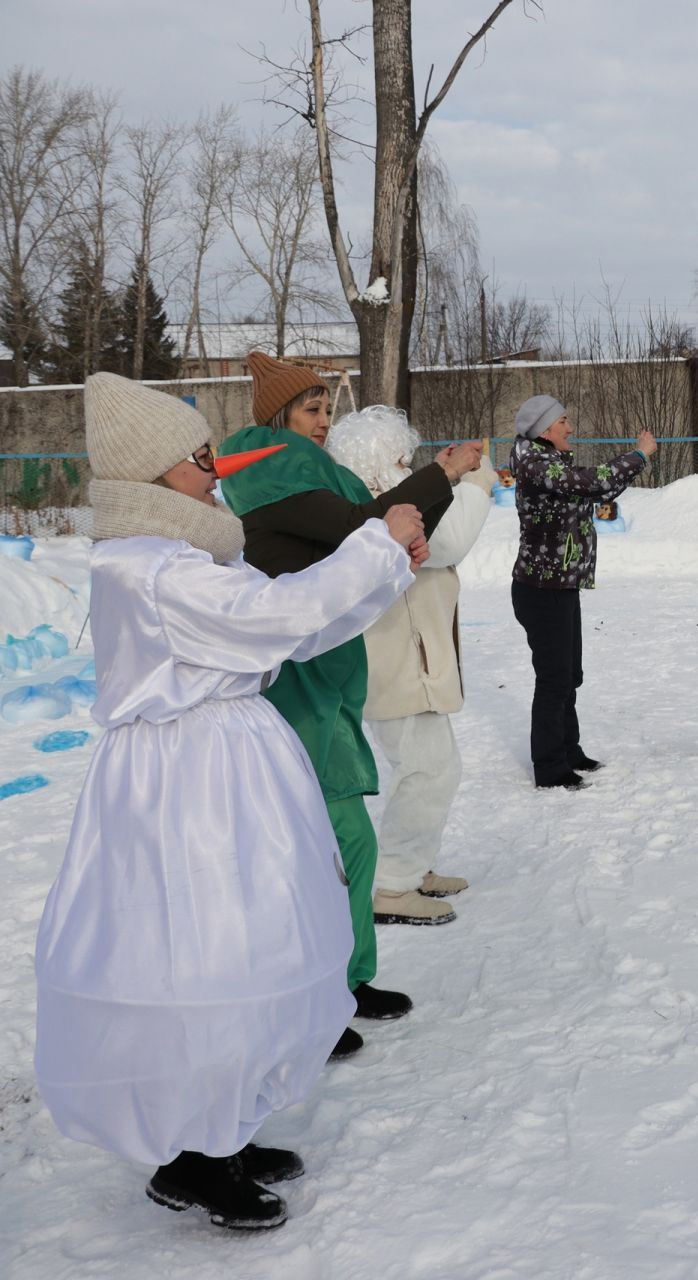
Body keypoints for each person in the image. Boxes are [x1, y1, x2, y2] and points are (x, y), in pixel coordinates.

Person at [37, 374, 418, 1230]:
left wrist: (382, 567)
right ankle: (197, 1156)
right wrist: (377, 541)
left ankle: (221, 1132)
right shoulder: (152, 570)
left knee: (248, 943)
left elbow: (291, 626)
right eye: (197, 458)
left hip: (222, 766)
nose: (216, 470)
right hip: (189, 786)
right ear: (152, 473)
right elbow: (279, 612)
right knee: (209, 955)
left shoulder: (181, 557)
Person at [220, 353, 483, 1042]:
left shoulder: (299, 476)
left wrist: (396, 563)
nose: (322, 420)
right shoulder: (277, 475)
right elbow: (363, 523)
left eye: (325, 408)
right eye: (310, 409)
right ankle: (321, 995)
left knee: (345, 845)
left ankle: (348, 981)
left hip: (324, 675)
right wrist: (449, 474)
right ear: (279, 418)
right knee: (337, 843)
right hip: (295, 685)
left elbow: (352, 557)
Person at [327, 406, 494, 925]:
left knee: (431, 768)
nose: (408, 465)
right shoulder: (385, 505)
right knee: (427, 772)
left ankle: (412, 866)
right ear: (380, 460)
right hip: (400, 662)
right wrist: (477, 483)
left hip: (406, 658)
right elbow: (448, 544)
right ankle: (394, 885)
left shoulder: (375, 499)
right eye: (401, 457)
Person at [509, 394, 657, 789]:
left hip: (561, 583)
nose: (570, 428)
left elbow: (597, 492)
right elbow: (590, 482)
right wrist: (638, 456)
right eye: (563, 422)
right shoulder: (537, 464)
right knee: (554, 679)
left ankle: (569, 749)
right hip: (541, 589)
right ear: (544, 429)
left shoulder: (550, 463)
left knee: (569, 675)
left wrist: (631, 467)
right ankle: (550, 767)